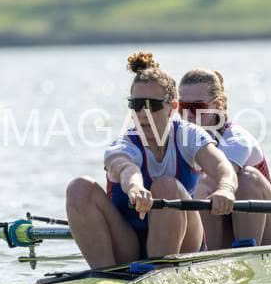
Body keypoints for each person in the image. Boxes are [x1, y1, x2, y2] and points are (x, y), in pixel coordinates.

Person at [65, 52, 238, 269]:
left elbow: (222, 166)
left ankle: (159, 271)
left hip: (184, 243)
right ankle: (104, 275)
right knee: (79, 187)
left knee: (166, 187)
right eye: (137, 104)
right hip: (128, 243)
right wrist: (135, 188)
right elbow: (126, 169)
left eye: (152, 105)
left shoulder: (189, 136)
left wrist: (225, 189)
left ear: (172, 107)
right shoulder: (124, 144)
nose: (143, 113)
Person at [178, 69, 271, 249]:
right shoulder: (176, 139)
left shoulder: (236, 139)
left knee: (245, 177)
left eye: (196, 107)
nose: (188, 115)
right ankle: (208, 256)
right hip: (221, 230)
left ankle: (246, 251)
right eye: (182, 107)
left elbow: (215, 177)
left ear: (217, 105)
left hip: (270, 234)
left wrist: (224, 189)